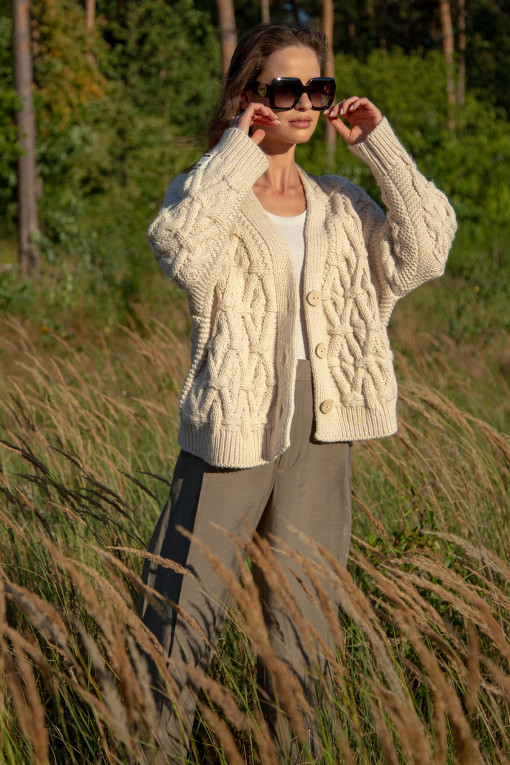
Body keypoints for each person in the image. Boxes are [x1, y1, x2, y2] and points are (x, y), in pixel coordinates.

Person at [138, 22, 457, 762]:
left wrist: (383, 146)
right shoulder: (208, 190)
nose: (307, 103)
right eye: (287, 87)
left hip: (324, 426)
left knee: (303, 629)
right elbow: (181, 250)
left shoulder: (342, 202)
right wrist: (236, 151)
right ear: (250, 95)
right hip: (235, 427)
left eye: (319, 87)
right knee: (178, 619)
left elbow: (428, 251)